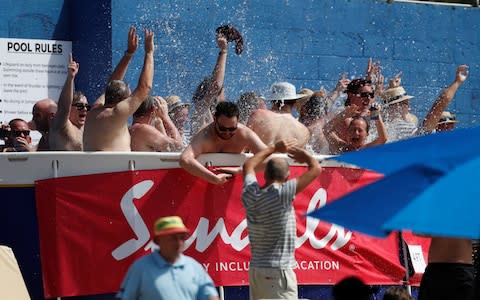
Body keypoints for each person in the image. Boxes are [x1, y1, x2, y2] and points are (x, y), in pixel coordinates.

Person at [242, 139, 322, 300]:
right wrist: (305, 155)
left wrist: (273, 148)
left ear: (264, 174)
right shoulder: (282, 194)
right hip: (278, 271)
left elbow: (248, 165)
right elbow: (316, 169)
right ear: (287, 177)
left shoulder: (250, 193)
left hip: (256, 270)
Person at [83, 27, 154, 151]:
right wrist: (149, 53)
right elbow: (145, 87)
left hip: (94, 167)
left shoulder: (94, 111)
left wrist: (129, 54)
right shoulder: (116, 114)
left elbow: (111, 84)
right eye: (129, 98)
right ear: (121, 102)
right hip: (115, 169)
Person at [117, 216, 219, 300]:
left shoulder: (194, 267)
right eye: (173, 238)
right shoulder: (140, 268)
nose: (179, 242)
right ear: (158, 240)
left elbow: (209, 296)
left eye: (182, 238)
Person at [180, 101, 266, 185]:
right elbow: (185, 159)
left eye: (232, 129)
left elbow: (272, 158)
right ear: (214, 119)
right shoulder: (205, 136)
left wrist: (240, 170)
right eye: (223, 129)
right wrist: (213, 178)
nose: (227, 133)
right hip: (204, 183)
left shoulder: (245, 134)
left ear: (238, 121)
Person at [247, 82, 310, 148]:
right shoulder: (304, 131)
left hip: (261, 157)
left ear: (272, 101)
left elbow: (245, 148)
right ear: (295, 103)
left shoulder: (258, 116)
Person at [190, 32, 229, 135]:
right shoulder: (201, 112)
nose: (225, 98)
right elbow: (216, 85)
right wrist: (223, 52)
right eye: (222, 93)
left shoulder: (215, 118)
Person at [49, 53, 88, 151]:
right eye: (79, 106)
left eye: (87, 106)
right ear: (71, 107)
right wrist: (70, 78)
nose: (84, 109)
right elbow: (63, 108)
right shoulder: (62, 125)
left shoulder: (88, 129)